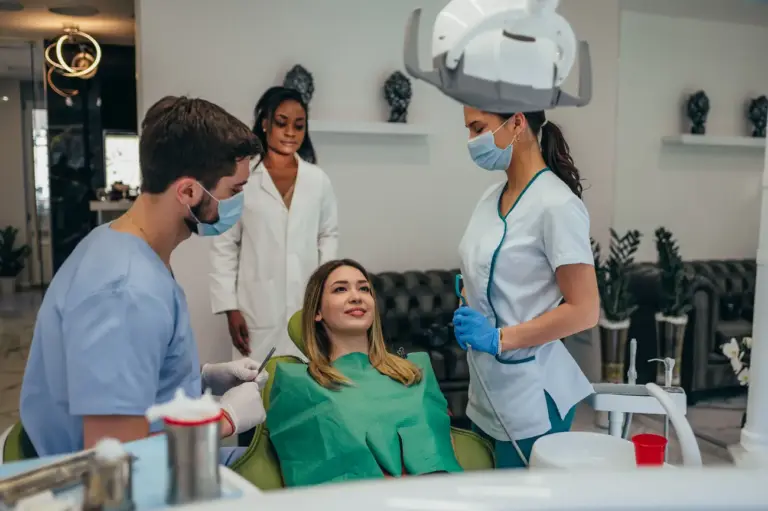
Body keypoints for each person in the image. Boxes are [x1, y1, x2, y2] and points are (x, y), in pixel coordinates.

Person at [20, 96, 269, 465]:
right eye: (234, 191)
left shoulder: (120, 244)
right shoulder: (125, 290)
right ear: (188, 192)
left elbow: (129, 374)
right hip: (112, 485)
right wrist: (224, 420)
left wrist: (200, 380)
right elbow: (111, 452)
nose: (239, 203)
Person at [453, 108, 599, 468]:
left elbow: (584, 311)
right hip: (487, 386)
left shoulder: (558, 205)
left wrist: (498, 338)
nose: (472, 142)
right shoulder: (491, 197)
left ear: (517, 122)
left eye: (478, 129)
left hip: (533, 394)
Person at [265, 259, 462, 486]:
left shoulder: (414, 372)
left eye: (364, 288)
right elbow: (310, 473)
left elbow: (444, 451)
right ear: (317, 311)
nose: (356, 296)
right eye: (340, 289)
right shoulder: (301, 386)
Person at [210, 86, 339, 363]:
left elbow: (328, 234)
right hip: (255, 309)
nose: (290, 132)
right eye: (282, 123)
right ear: (265, 124)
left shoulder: (318, 180)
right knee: (253, 390)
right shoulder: (243, 178)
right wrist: (229, 307)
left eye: (299, 125)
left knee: (304, 388)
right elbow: (224, 243)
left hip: (306, 305)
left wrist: (326, 289)